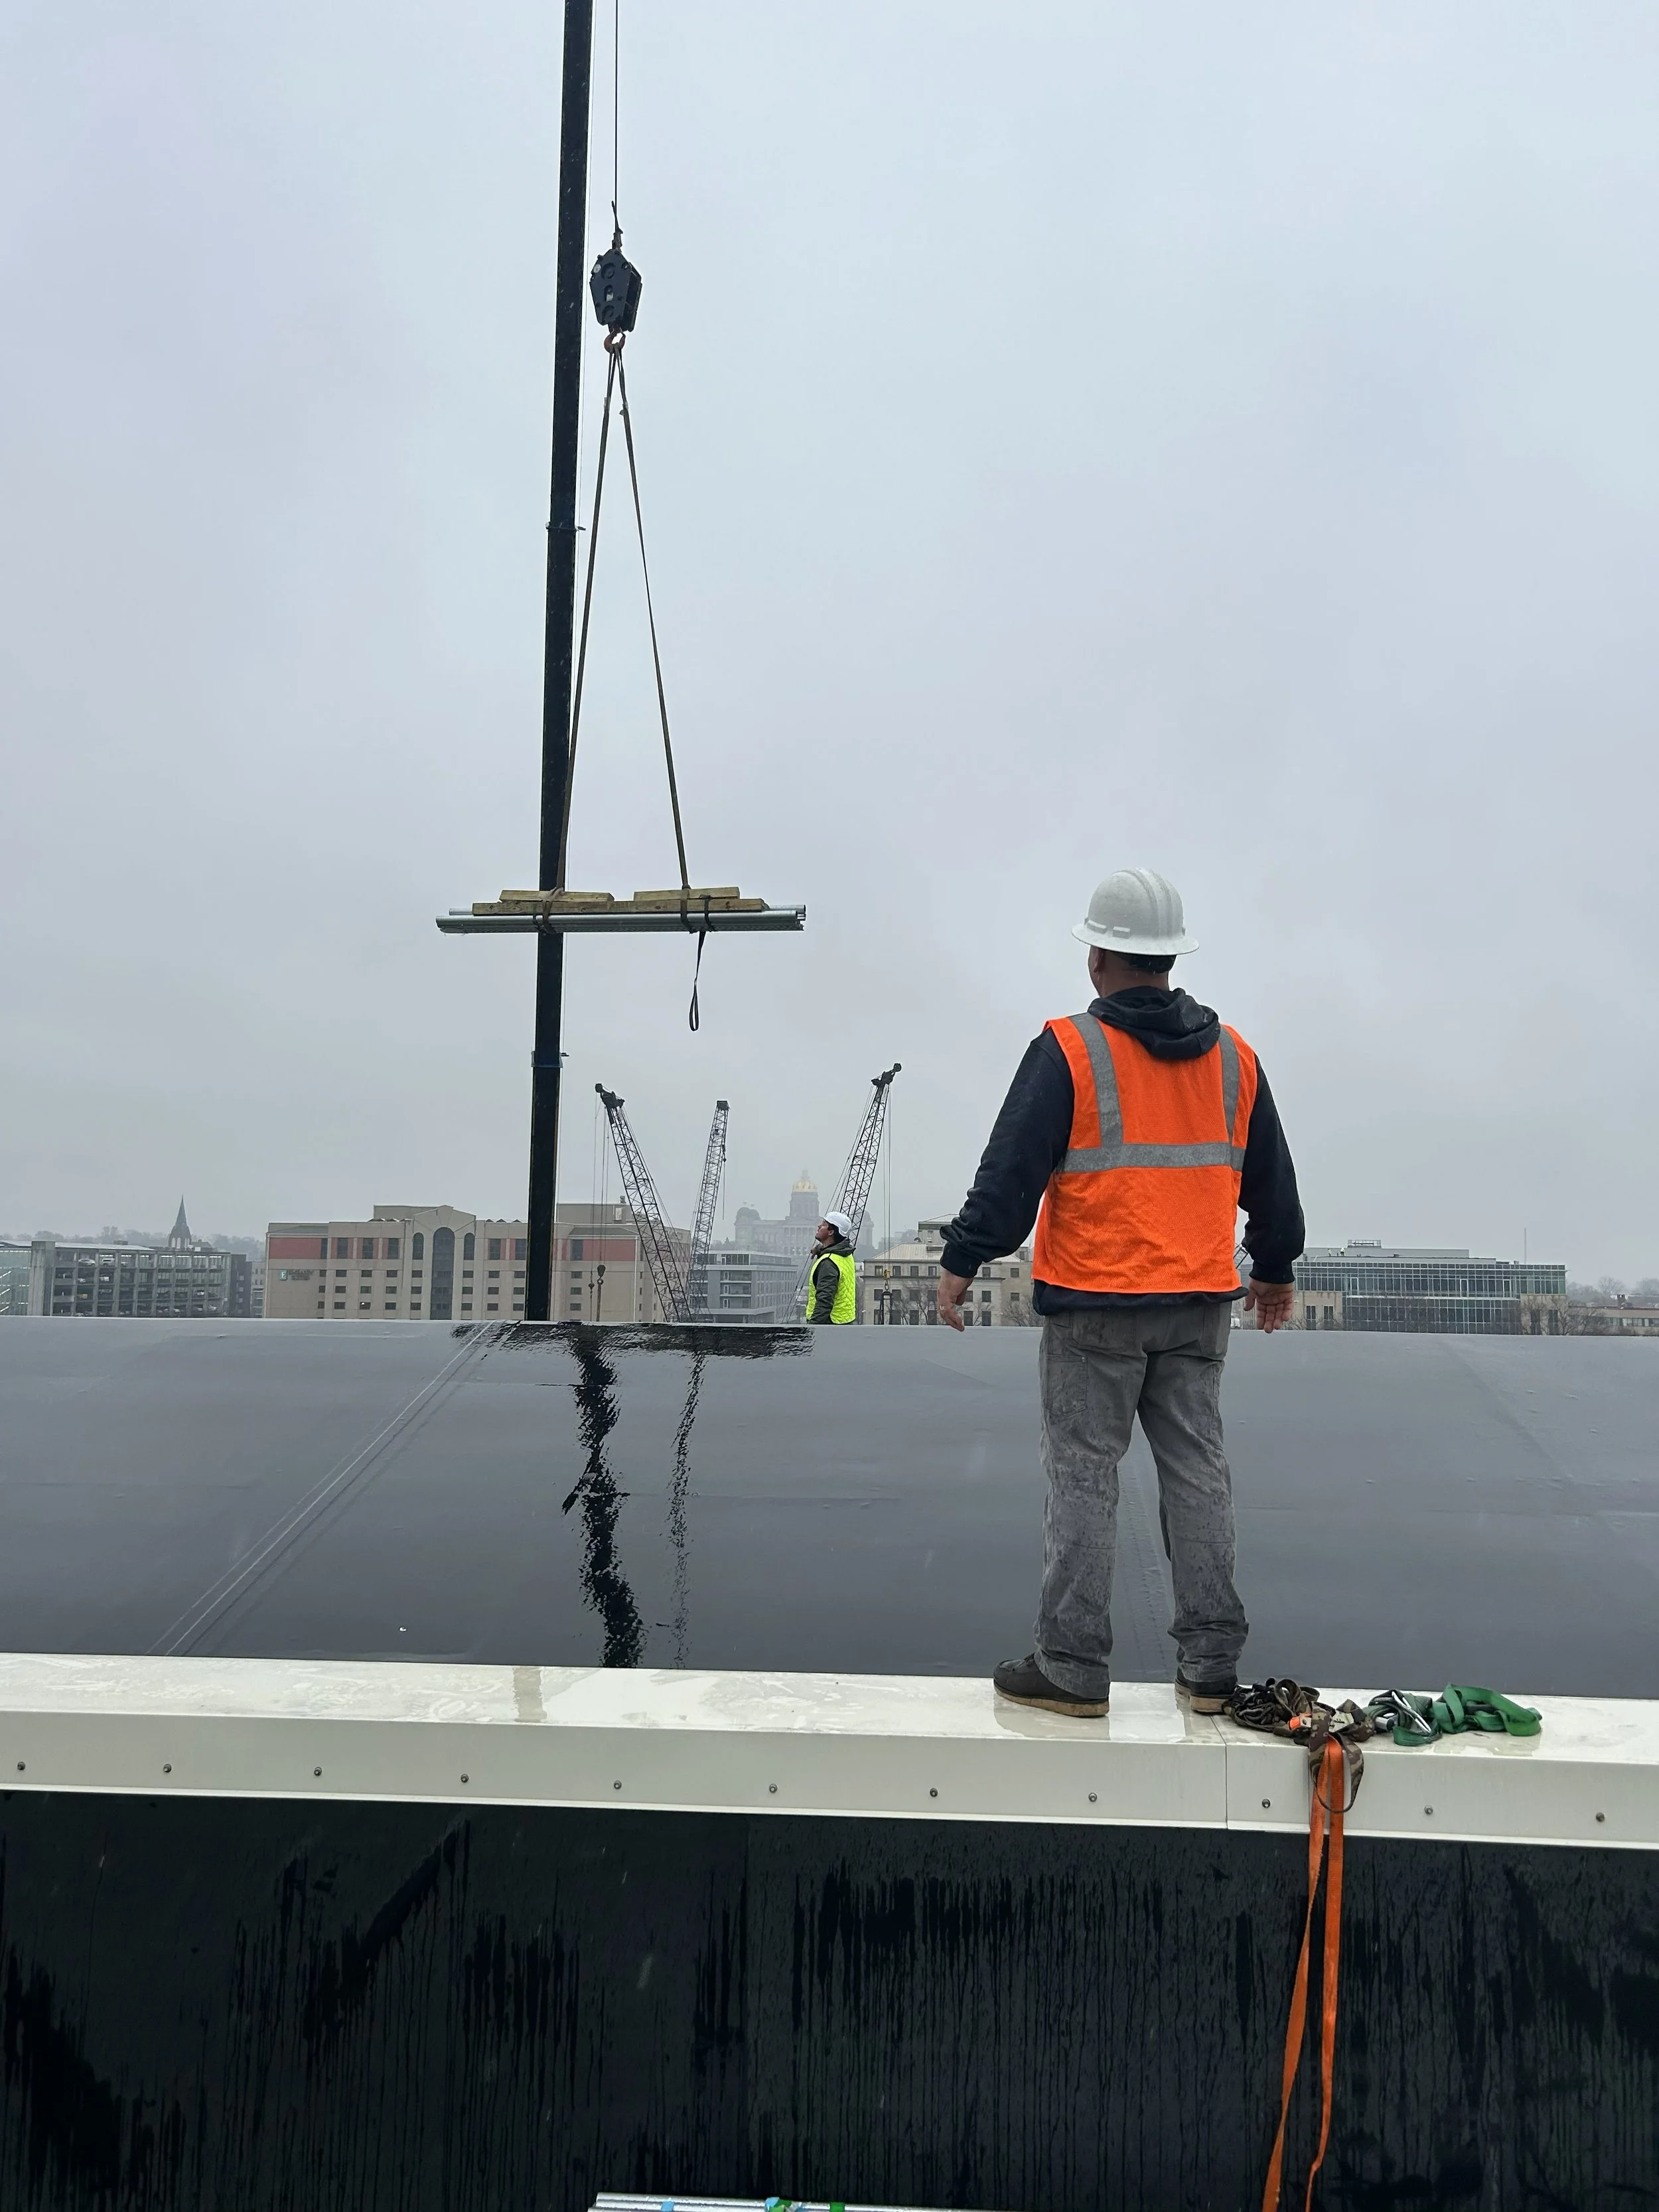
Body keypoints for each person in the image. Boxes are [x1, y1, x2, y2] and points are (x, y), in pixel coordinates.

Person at [936, 867, 1303, 1719]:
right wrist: (1275, 1271)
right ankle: (1210, 1668)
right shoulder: (1234, 1057)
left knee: (1083, 1481)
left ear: (1099, 955)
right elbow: (1273, 1185)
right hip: (1200, 1308)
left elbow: (1010, 1172)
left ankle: (1070, 1665)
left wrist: (964, 1258)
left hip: (1095, 1304)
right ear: (1169, 957)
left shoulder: (1069, 1049)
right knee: (1198, 1477)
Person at [806, 1211, 858, 1324]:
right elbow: (835, 1248)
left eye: (824, 1224)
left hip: (829, 1324)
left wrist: (811, 1331)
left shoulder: (828, 1263)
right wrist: (820, 1248)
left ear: (831, 1232)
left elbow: (824, 1303)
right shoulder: (845, 1254)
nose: (819, 1226)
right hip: (844, 1321)